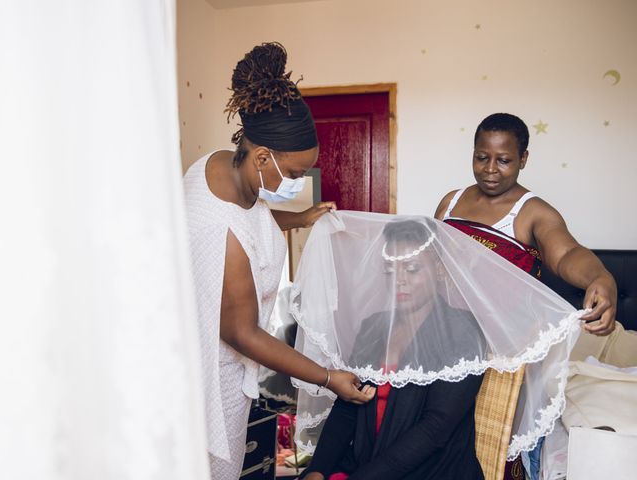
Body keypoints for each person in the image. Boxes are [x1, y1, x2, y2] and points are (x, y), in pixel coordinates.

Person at [183, 42, 373, 479]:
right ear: (263, 157)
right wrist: (326, 377)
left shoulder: (218, 164)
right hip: (212, 374)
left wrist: (299, 217)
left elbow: (251, 217)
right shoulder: (221, 231)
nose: (301, 181)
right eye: (296, 174)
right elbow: (241, 332)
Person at [434, 112, 618, 479]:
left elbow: (566, 254)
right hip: (442, 339)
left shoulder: (532, 211)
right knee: (431, 438)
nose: (490, 169)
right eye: (481, 157)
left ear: (523, 159)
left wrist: (601, 276)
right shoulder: (451, 202)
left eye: (503, 160)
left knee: (488, 445)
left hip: (499, 350)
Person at [301, 220, 487, 480]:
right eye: (390, 270)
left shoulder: (461, 331)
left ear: (440, 270)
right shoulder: (373, 327)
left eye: (411, 269)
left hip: (431, 472)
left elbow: (435, 429)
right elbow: (348, 407)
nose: (399, 280)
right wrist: (317, 469)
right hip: (367, 465)